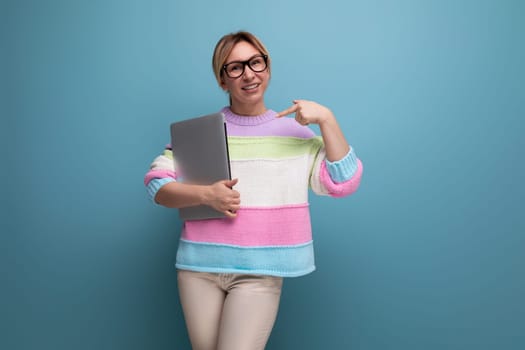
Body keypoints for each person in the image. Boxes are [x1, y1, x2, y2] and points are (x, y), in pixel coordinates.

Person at [144, 31, 363, 350]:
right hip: (198, 270)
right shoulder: (200, 132)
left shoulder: (296, 135)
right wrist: (207, 195)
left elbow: (344, 182)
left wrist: (327, 119)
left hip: (259, 273)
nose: (249, 73)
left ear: (267, 68)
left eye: (256, 63)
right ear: (222, 80)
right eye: (235, 67)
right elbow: (157, 184)